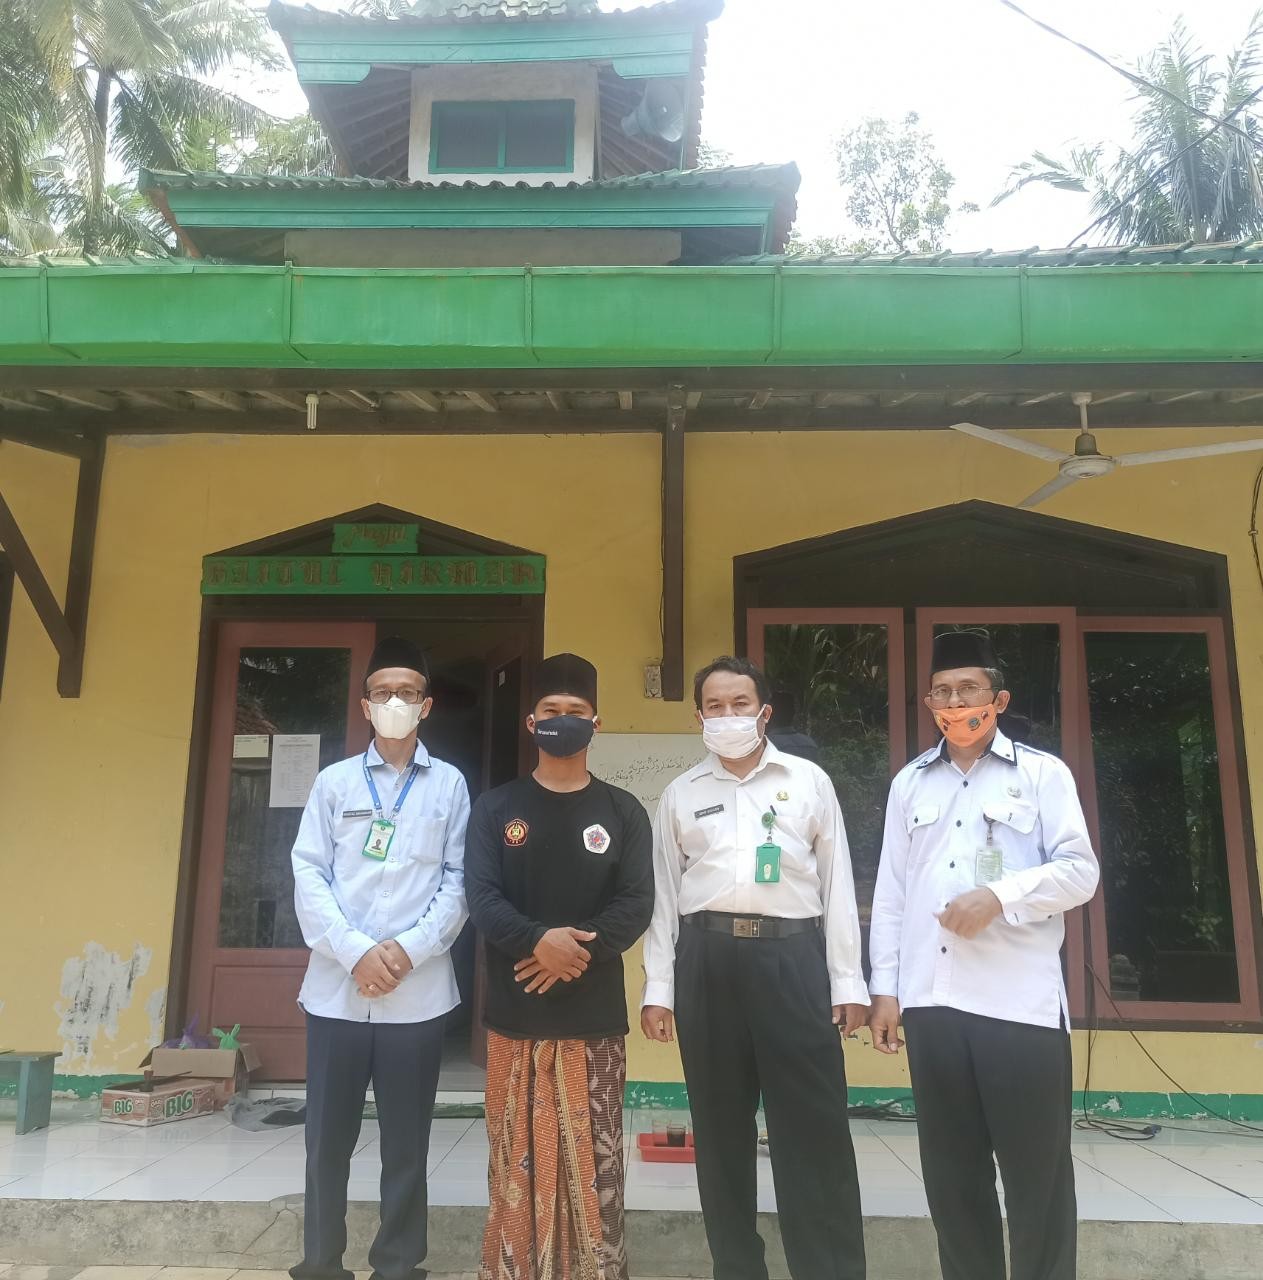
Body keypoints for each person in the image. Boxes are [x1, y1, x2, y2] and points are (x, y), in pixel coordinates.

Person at [868, 629, 1100, 1280]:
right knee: (952, 1182)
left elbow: (1080, 872)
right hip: (933, 1004)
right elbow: (891, 893)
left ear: (997, 699)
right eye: (941, 692)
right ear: (928, 703)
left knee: (1036, 1180)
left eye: (967, 689)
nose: (954, 702)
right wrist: (885, 989)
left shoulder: (1042, 775)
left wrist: (999, 896)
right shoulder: (910, 783)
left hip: (1017, 1006)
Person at [641, 656, 868, 1280]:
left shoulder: (809, 782)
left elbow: (837, 885)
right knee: (719, 1132)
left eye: (739, 703)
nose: (728, 715)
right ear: (699, 717)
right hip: (707, 962)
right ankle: (737, 1267)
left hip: (793, 961)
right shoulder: (682, 793)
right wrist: (659, 988)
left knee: (814, 1130)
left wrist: (848, 980)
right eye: (714, 706)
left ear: (764, 711)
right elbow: (664, 896)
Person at [464, 653, 654, 1280]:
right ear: (531, 721)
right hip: (514, 1017)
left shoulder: (623, 810)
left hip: (593, 1021)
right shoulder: (496, 808)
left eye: (576, 711)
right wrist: (536, 940)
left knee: (596, 1173)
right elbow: (482, 897)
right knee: (513, 1168)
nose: (563, 720)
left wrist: (573, 954)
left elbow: (636, 903)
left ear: (596, 723)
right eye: (551, 710)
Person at [290, 636, 469, 1280]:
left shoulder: (450, 784)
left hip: (416, 996)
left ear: (427, 705)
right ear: (365, 705)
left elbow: (459, 881)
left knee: (408, 1145)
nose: (396, 702)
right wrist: (357, 952)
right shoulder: (334, 782)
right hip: (336, 992)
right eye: (383, 692)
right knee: (325, 1142)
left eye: (408, 692)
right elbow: (309, 874)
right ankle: (320, 1263)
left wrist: (408, 951)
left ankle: (397, 1265)